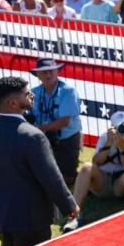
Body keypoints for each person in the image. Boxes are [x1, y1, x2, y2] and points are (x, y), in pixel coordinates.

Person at [0, 76, 79, 246]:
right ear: (12, 102)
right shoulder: (33, 136)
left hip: (1, 213)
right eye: (27, 93)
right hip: (30, 217)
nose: (33, 96)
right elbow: (50, 178)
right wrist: (69, 205)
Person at [66, 111, 124, 231]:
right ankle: (74, 215)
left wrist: (123, 149)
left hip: (121, 185)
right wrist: (109, 144)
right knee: (87, 167)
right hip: (102, 181)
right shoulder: (106, 137)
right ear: (112, 128)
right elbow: (96, 162)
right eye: (120, 126)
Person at [28, 58, 83, 189]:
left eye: (51, 71)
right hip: (44, 136)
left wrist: (40, 129)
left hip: (67, 137)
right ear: (38, 76)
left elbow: (65, 122)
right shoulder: (34, 92)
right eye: (44, 72)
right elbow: (30, 115)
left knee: (66, 178)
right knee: (44, 173)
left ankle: (76, 179)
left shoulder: (68, 92)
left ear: (57, 72)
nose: (48, 75)